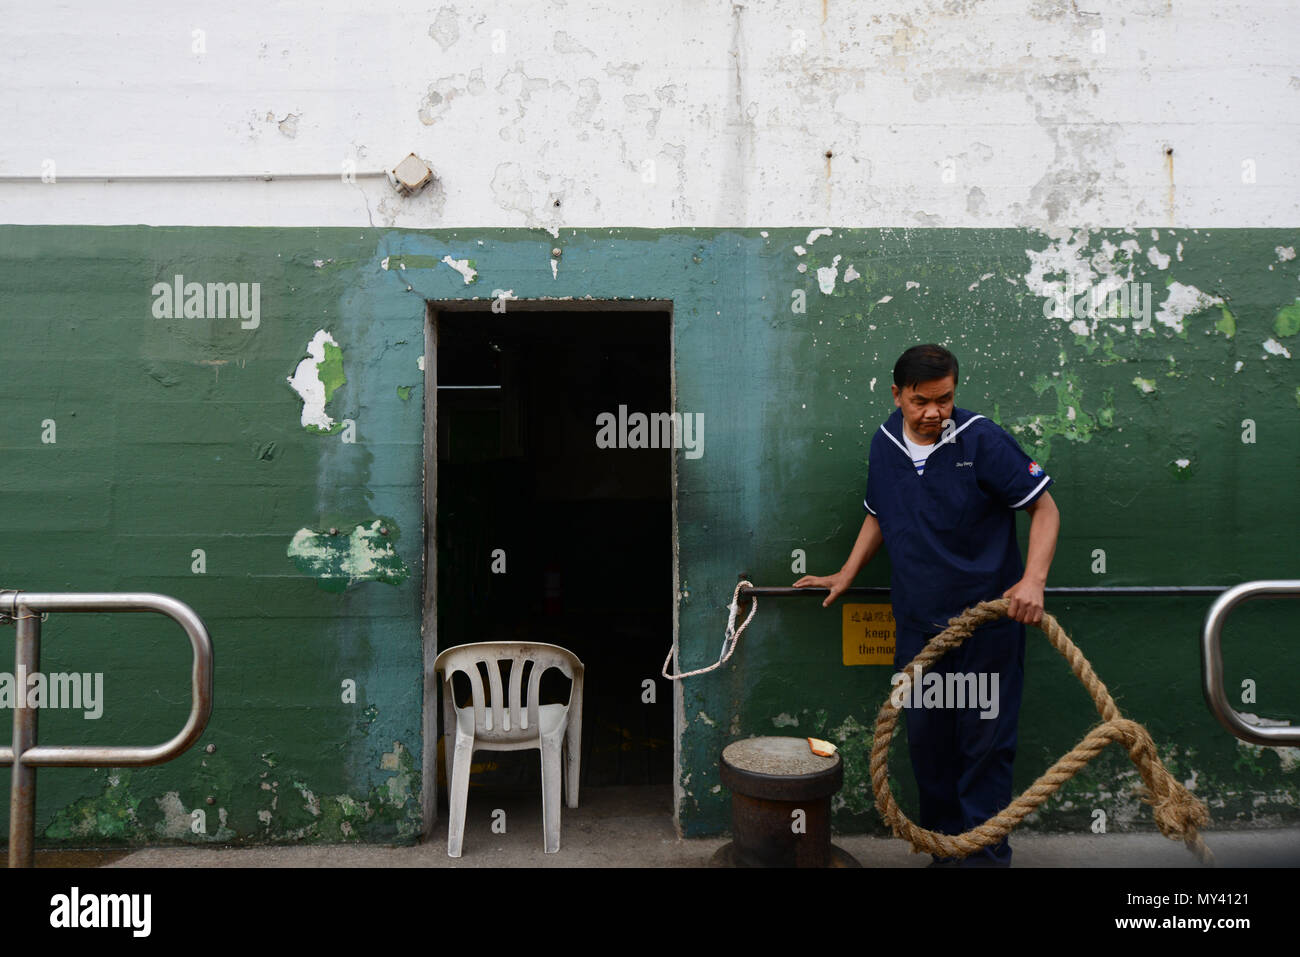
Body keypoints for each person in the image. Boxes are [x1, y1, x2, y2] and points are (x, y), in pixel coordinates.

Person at [794, 343, 1060, 866]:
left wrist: (1034, 580)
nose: (935, 412)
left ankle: (982, 861)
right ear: (897, 396)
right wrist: (846, 574)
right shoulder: (885, 443)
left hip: (985, 633)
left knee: (982, 753)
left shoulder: (981, 438)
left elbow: (1045, 509)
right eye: (921, 401)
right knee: (930, 751)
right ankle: (945, 855)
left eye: (945, 399)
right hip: (918, 631)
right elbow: (879, 513)